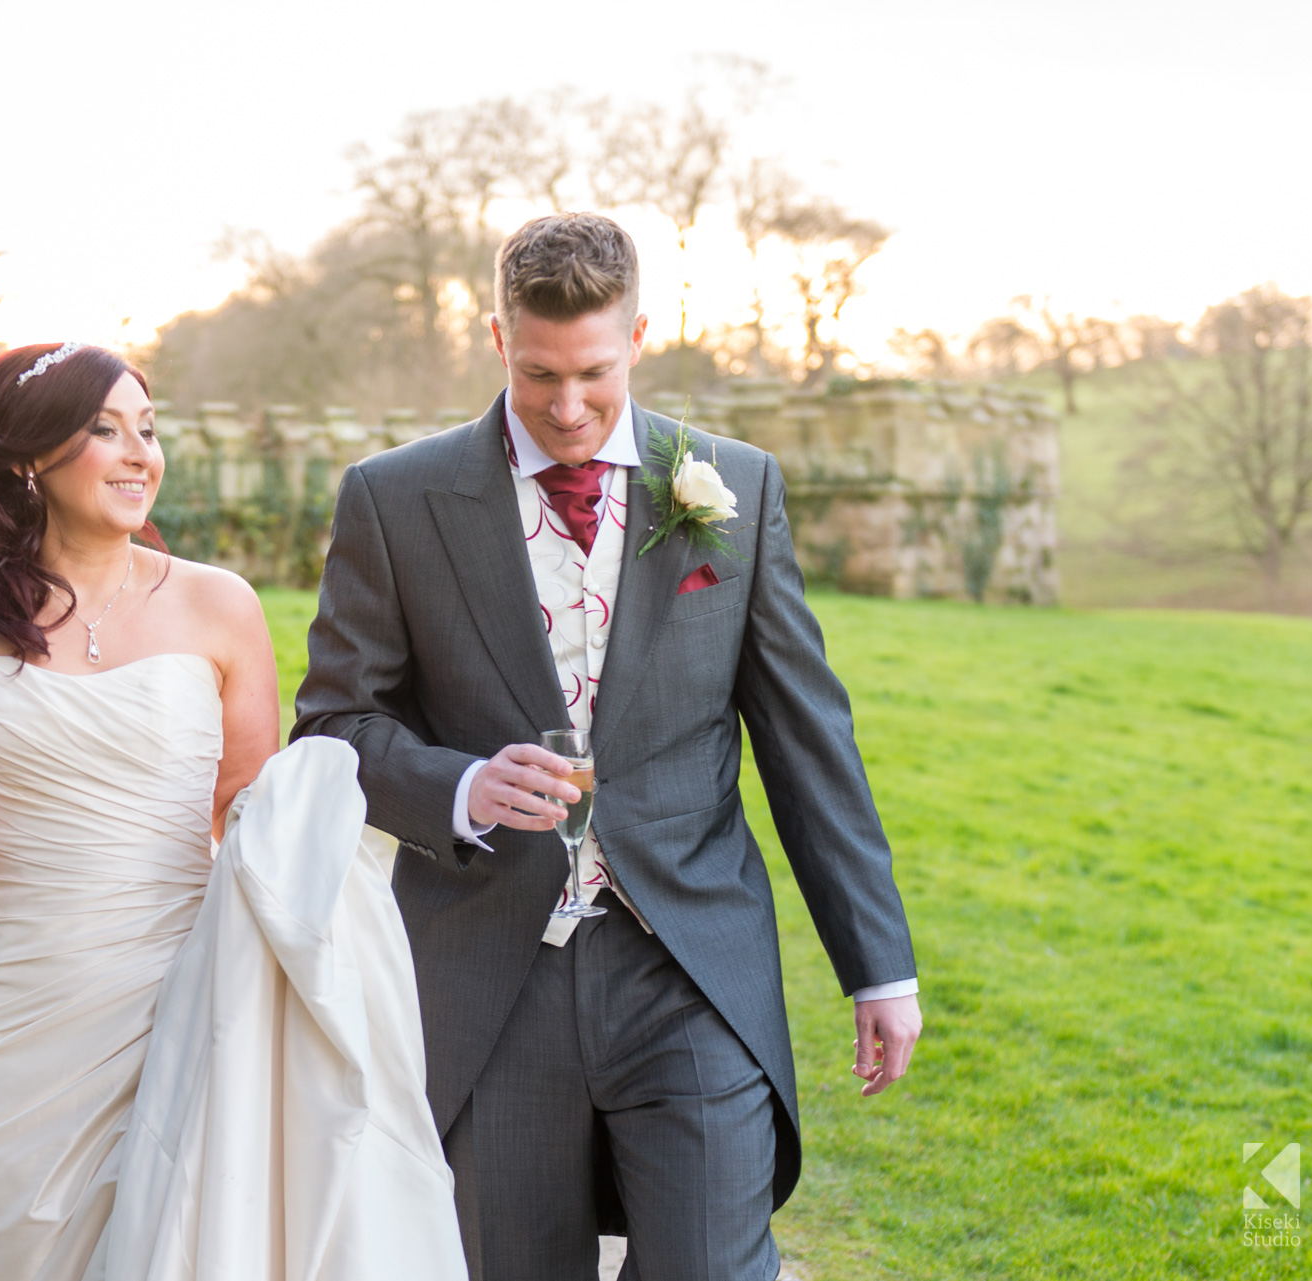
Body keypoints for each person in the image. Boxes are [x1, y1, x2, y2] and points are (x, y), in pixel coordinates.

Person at [293, 212, 924, 1281]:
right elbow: (335, 725)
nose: (569, 406)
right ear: (499, 340)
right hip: (490, 973)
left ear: (638, 335)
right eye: (540, 374)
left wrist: (879, 966)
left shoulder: (737, 487)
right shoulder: (394, 500)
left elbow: (807, 740)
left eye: (594, 372)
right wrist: (463, 787)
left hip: (689, 962)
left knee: (712, 1266)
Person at [0, 343, 464, 1280]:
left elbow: (256, 829)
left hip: (182, 1004)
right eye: (104, 430)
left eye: (148, 427)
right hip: (9, 1018)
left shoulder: (219, 606)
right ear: (30, 456)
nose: (140, 452)